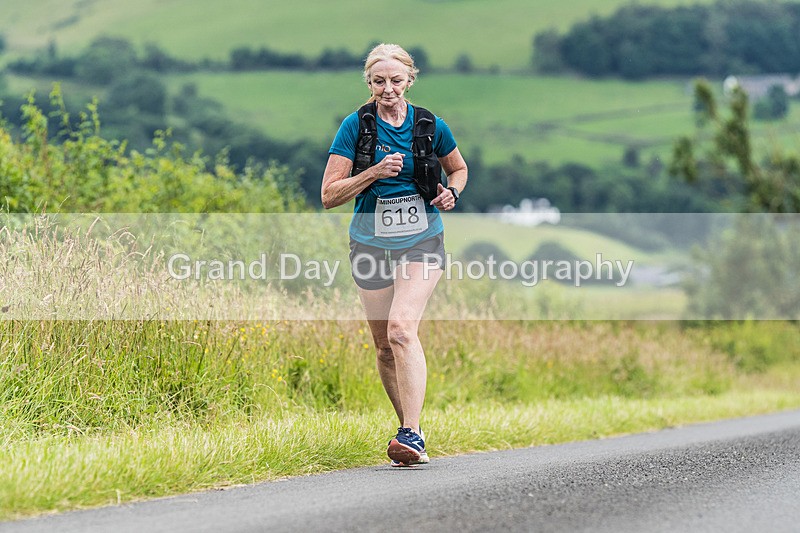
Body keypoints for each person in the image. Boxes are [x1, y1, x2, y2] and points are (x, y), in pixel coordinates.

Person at [321, 43, 468, 466]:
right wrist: (371, 173)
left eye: (396, 80)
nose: (388, 89)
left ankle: (410, 433)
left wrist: (451, 192)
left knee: (402, 329)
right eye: (379, 81)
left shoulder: (428, 124)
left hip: (422, 238)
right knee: (384, 346)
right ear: (369, 83)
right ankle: (413, 432)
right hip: (369, 244)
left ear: (410, 80)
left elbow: (458, 168)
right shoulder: (355, 127)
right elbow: (329, 196)